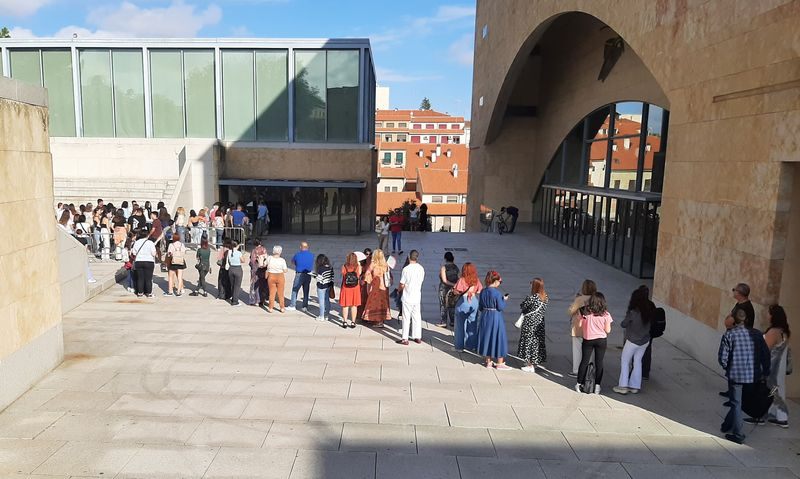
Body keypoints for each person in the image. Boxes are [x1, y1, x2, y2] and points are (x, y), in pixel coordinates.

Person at [719, 307, 771, 444]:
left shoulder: (729, 335)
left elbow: (722, 358)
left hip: (736, 375)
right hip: (753, 376)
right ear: (746, 319)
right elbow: (766, 355)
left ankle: (738, 434)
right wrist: (766, 372)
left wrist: (728, 367)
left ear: (734, 321)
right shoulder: (757, 334)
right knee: (739, 403)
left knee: (736, 403)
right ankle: (727, 425)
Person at [747, 304, 791, 428]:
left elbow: (765, 350)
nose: (767, 315)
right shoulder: (784, 331)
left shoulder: (774, 332)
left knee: (765, 391)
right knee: (775, 391)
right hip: (778, 370)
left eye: (769, 313)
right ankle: (781, 417)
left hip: (770, 369)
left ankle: (760, 414)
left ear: (773, 316)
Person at [613, 286, 654, 394]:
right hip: (645, 340)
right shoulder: (649, 309)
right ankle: (635, 386)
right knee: (637, 362)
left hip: (633, 340)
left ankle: (623, 386)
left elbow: (624, 324)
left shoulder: (633, 312)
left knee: (625, 361)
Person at [576, 292, 613, 394]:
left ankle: (579, 384)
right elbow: (608, 330)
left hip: (588, 339)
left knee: (584, 361)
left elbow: (579, 325)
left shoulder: (584, 311)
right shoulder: (606, 314)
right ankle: (597, 386)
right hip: (601, 340)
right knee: (599, 363)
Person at [477, 270, 511, 369]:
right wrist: (504, 300)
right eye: (500, 281)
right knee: (499, 337)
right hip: (495, 317)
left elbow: (480, 307)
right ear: (495, 281)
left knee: (487, 337)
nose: (499, 283)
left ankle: (488, 361)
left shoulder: (483, 291)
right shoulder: (496, 293)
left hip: (485, 316)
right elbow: (500, 307)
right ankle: (500, 363)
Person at [518, 277, 549, 372]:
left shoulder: (532, 297)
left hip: (530, 323)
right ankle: (534, 362)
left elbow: (522, 306)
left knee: (528, 342)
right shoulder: (545, 297)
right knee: (536, 342)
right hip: (539, 322)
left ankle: (529, 365)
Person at [567, 279, 597, 377]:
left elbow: (571, 311)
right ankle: (589, 369)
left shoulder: (580, 299)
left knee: (577, 349)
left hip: (579, 327)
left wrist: (574, 301)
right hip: (593, 328)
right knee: (590, 350)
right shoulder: (597, 298)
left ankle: (576, 370)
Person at [452, 262, 482, 352]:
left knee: (460, 326)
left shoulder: (462, 280)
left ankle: (459, 347)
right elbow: (479, 291)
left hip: (463, 302)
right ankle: (471, 345)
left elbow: (456, 291)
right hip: (474, 302)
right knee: (472, 324)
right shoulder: (476, 280)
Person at [397, 250, 425, 345]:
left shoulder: (406, 269)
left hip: (407, 296)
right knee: (417, 317)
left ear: (409, 257)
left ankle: (405, 338)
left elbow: (402, 284)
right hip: (417, 296)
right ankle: (417, 336)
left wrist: (398, 290)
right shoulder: (421, 268)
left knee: (406, 318)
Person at [362, 249, 391, 327]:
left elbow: (367, 273)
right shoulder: (386, 265)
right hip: (384, 287)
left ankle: (376, 320)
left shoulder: (373, 264)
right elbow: (390, 276)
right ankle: (381, 320)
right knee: (383, 304)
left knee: (375, 303)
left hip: (375, 287)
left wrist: (369, 282)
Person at [288, 242, 314, 312]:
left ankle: (293, 305)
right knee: (306, 291)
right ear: (307, 247)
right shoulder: (311, 255)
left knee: (295, 289)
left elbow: (293, 262)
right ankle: (304, 306)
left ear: (300, 247)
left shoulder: (297, 255)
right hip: (308, 274)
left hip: (299, 274)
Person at [339, 252, 362, 329]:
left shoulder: (344, 266)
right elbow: (359, 274)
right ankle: (353, 322)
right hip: (355, 288)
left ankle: (345, 321)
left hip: (346, 287)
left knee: (345, 305)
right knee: (354, 305)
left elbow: (342, 273)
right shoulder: (358, 266)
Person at [131, 229, 156, 298]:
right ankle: (148, 293)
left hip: (139, 261)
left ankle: (140, 292)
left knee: (140, 277)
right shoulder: (150, 242)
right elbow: (153, 253)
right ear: (147, 235)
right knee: (148, 278)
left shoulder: (137, 242)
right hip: (149, 261)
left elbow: (134, 253)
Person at [437, 252, 459, 327]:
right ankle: (452, 321)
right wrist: (455, 285)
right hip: (453, 289)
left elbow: (444, 280)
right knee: (452, 304)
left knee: (443, 304)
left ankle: (443, 321)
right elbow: (458, 278)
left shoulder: (444, 267)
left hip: (444, 288)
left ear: (445, 258)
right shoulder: (456, 267)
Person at [265, 245, 288, 313]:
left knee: (272, 293)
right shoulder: (282, 260)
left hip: (271, 275)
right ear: (280, 252)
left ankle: (270, 308)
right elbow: (285, 270)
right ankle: (282, 307)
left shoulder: (269, 258)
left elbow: (264, 264)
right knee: (280, 293)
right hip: (280, 276)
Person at [313, 254, 334, 322]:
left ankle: (321, 316)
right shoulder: (330, 267)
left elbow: (319, 279)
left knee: (321, 301)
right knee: (327, 300)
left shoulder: (321, 269)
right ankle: (327, 315)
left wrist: (314, 276)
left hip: (321, 287)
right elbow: (332, 277)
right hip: (328, 285)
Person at [249, 240, 268, 306]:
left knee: (254, 285)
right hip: (263, 269)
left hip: (255, 269)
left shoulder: (253, 250)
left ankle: (254, 300)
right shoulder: (264, 249)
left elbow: (251, 261)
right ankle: (262, 299)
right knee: (262, 284)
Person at [227, 240, 244, 306]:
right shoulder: (239, 253)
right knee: (237, 286)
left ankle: (233, 297)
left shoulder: (229, 252)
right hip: (238, 269)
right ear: (237, 245)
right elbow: (243, 260)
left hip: (231, 269)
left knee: (233, 285)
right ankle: (235, 301)